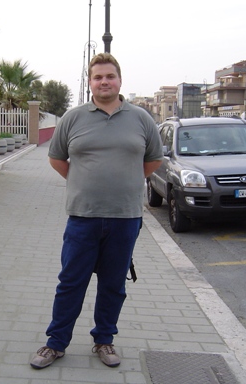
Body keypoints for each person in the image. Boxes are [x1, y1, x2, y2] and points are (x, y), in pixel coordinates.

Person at [30, 53, 163, 370]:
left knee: (113, 285)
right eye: (98, 77)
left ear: (120, 80)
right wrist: (82, 182)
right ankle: (56, 343)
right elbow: (57, 159)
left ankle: (104, 340)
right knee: (70, 283)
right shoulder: (73, 118)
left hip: (125, 218)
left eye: (110, 76)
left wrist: (125, 182)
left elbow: (154, 160)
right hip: (82, 217)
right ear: (90, 82)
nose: (104, 81)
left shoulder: (141, 119)